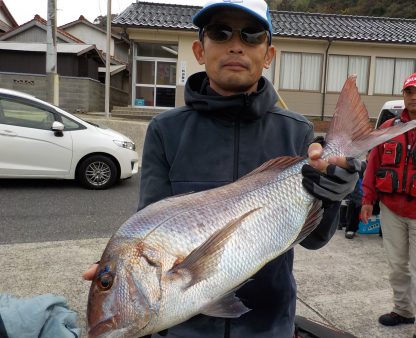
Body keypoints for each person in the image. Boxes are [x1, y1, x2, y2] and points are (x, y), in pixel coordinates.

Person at [84, 1, 359, 337]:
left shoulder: (296, 131)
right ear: (200, 50)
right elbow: (151, 225)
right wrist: (120, 271)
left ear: (268, 54)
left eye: (252, 35)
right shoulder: (165, 130)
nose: (235, 44)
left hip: (269, 325)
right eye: (220, 32)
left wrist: (334, 195)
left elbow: (314, 239)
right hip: (184, 329)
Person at [361, 71, 416, 338]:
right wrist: (367, 200)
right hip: (392, 211)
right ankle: (403, 310)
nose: (413, 97)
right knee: (397, 266)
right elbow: (373, 165)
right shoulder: (388, 128)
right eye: (409, 92)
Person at [344, 158, 367, 239]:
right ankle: (350, 229)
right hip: (357, 193)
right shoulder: (362, 165)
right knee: (354, 205)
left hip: (367, 194)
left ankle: (352, 228)